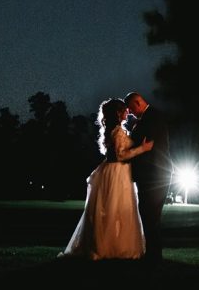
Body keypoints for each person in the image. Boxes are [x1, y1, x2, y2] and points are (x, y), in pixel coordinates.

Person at [59, 98, 154, 260]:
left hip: (111, 170)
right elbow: (121, 155)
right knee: (116, 208)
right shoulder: (117, 131)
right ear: (118, 113)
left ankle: (111, 244)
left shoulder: (114, 130)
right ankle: (111, 247)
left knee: (112, 209)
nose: (128, 112)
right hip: (117, 171)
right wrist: (142, 149)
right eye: (125, 110)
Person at [124, 91, 171, 265]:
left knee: (150, 214)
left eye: (130, 108)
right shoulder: (150, 117)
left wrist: (131, 133)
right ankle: (152, 253)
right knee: (149, 215)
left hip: (154, 174)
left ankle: (153, 255)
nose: (130, 112)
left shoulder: (152, 118)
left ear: (138, 103)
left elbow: (143, 143)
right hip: (154, 174)